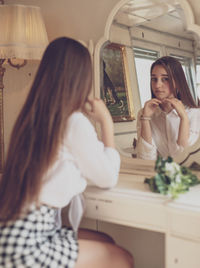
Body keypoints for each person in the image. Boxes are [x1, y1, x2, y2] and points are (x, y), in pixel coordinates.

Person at [0, 37, 133, 268]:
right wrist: (106, 123)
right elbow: (107, 177)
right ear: (81, 79)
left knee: (106, 242)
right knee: (121, 258)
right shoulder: (73, 122)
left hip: (12, 233)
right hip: (27, 243)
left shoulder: (31, 118)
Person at [136, 56, 200, 160]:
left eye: (165, 79)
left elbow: (187, 159)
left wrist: (184, 118)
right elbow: (145, 159)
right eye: (154, 79)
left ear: (178, 82)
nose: (157, 85)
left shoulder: (196, 114)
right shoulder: (143, 114)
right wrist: (145, 119)